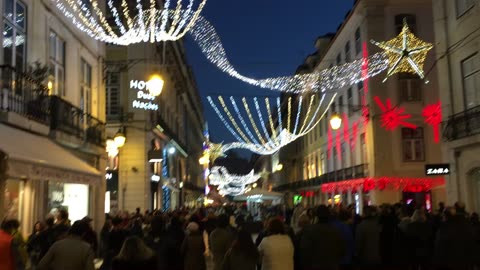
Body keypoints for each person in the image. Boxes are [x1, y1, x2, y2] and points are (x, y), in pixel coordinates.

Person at [300, 205, 346, 270]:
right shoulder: (335, 231)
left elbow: (304, 251)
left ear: (317, 216)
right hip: (331, 266)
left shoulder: (310, 231)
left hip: (315, 266)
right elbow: (342, 251)